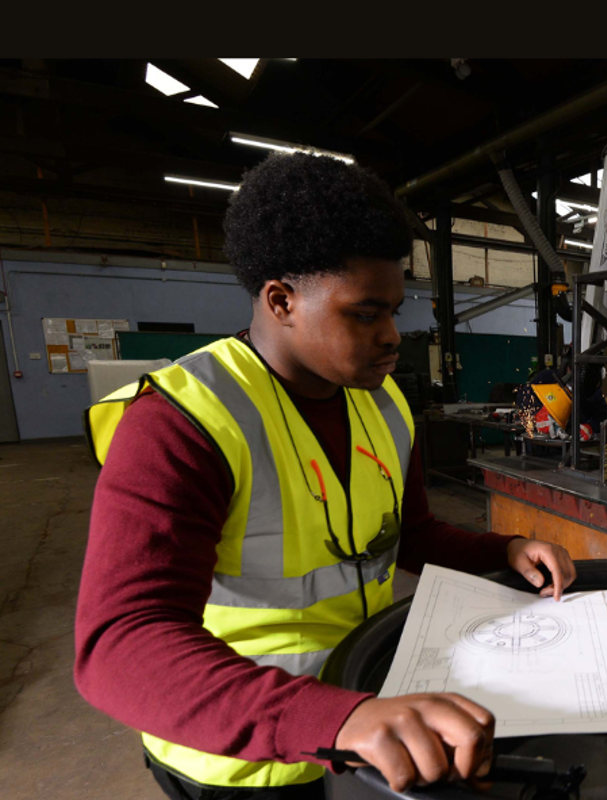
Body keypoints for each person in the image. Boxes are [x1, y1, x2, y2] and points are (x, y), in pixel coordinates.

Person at [75, 153, 577, 799]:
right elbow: (120, 644)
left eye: (396, 310)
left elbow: (408, 535)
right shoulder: (184, 422)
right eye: (366, 314)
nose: (394, 336)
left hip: (360, 729)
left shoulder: (384, 403)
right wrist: (334, 717)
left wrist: (502, 549)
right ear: (282, 300)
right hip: (241, 762)